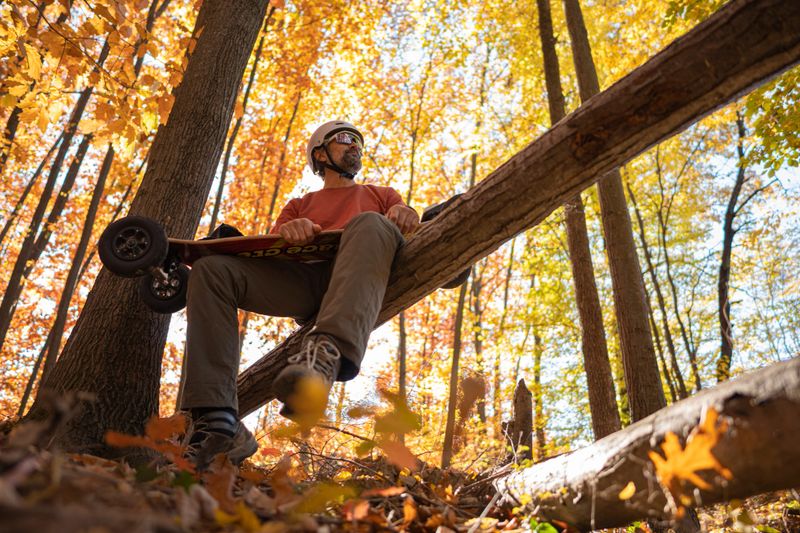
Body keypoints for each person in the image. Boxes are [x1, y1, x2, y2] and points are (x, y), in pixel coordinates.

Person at [179, 120, 420, 468]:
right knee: (210, 269)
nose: (355, 146)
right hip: (304, 283)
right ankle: (217, 420)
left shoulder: (381, 195)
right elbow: (271, 252)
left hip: (360, 277)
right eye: (345, 140)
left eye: (358, 143)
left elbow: (406, 225)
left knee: (370, 221)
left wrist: (405, 212)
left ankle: (324, 358)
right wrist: (290, 232)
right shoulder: (299, 204)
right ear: (320, 154)